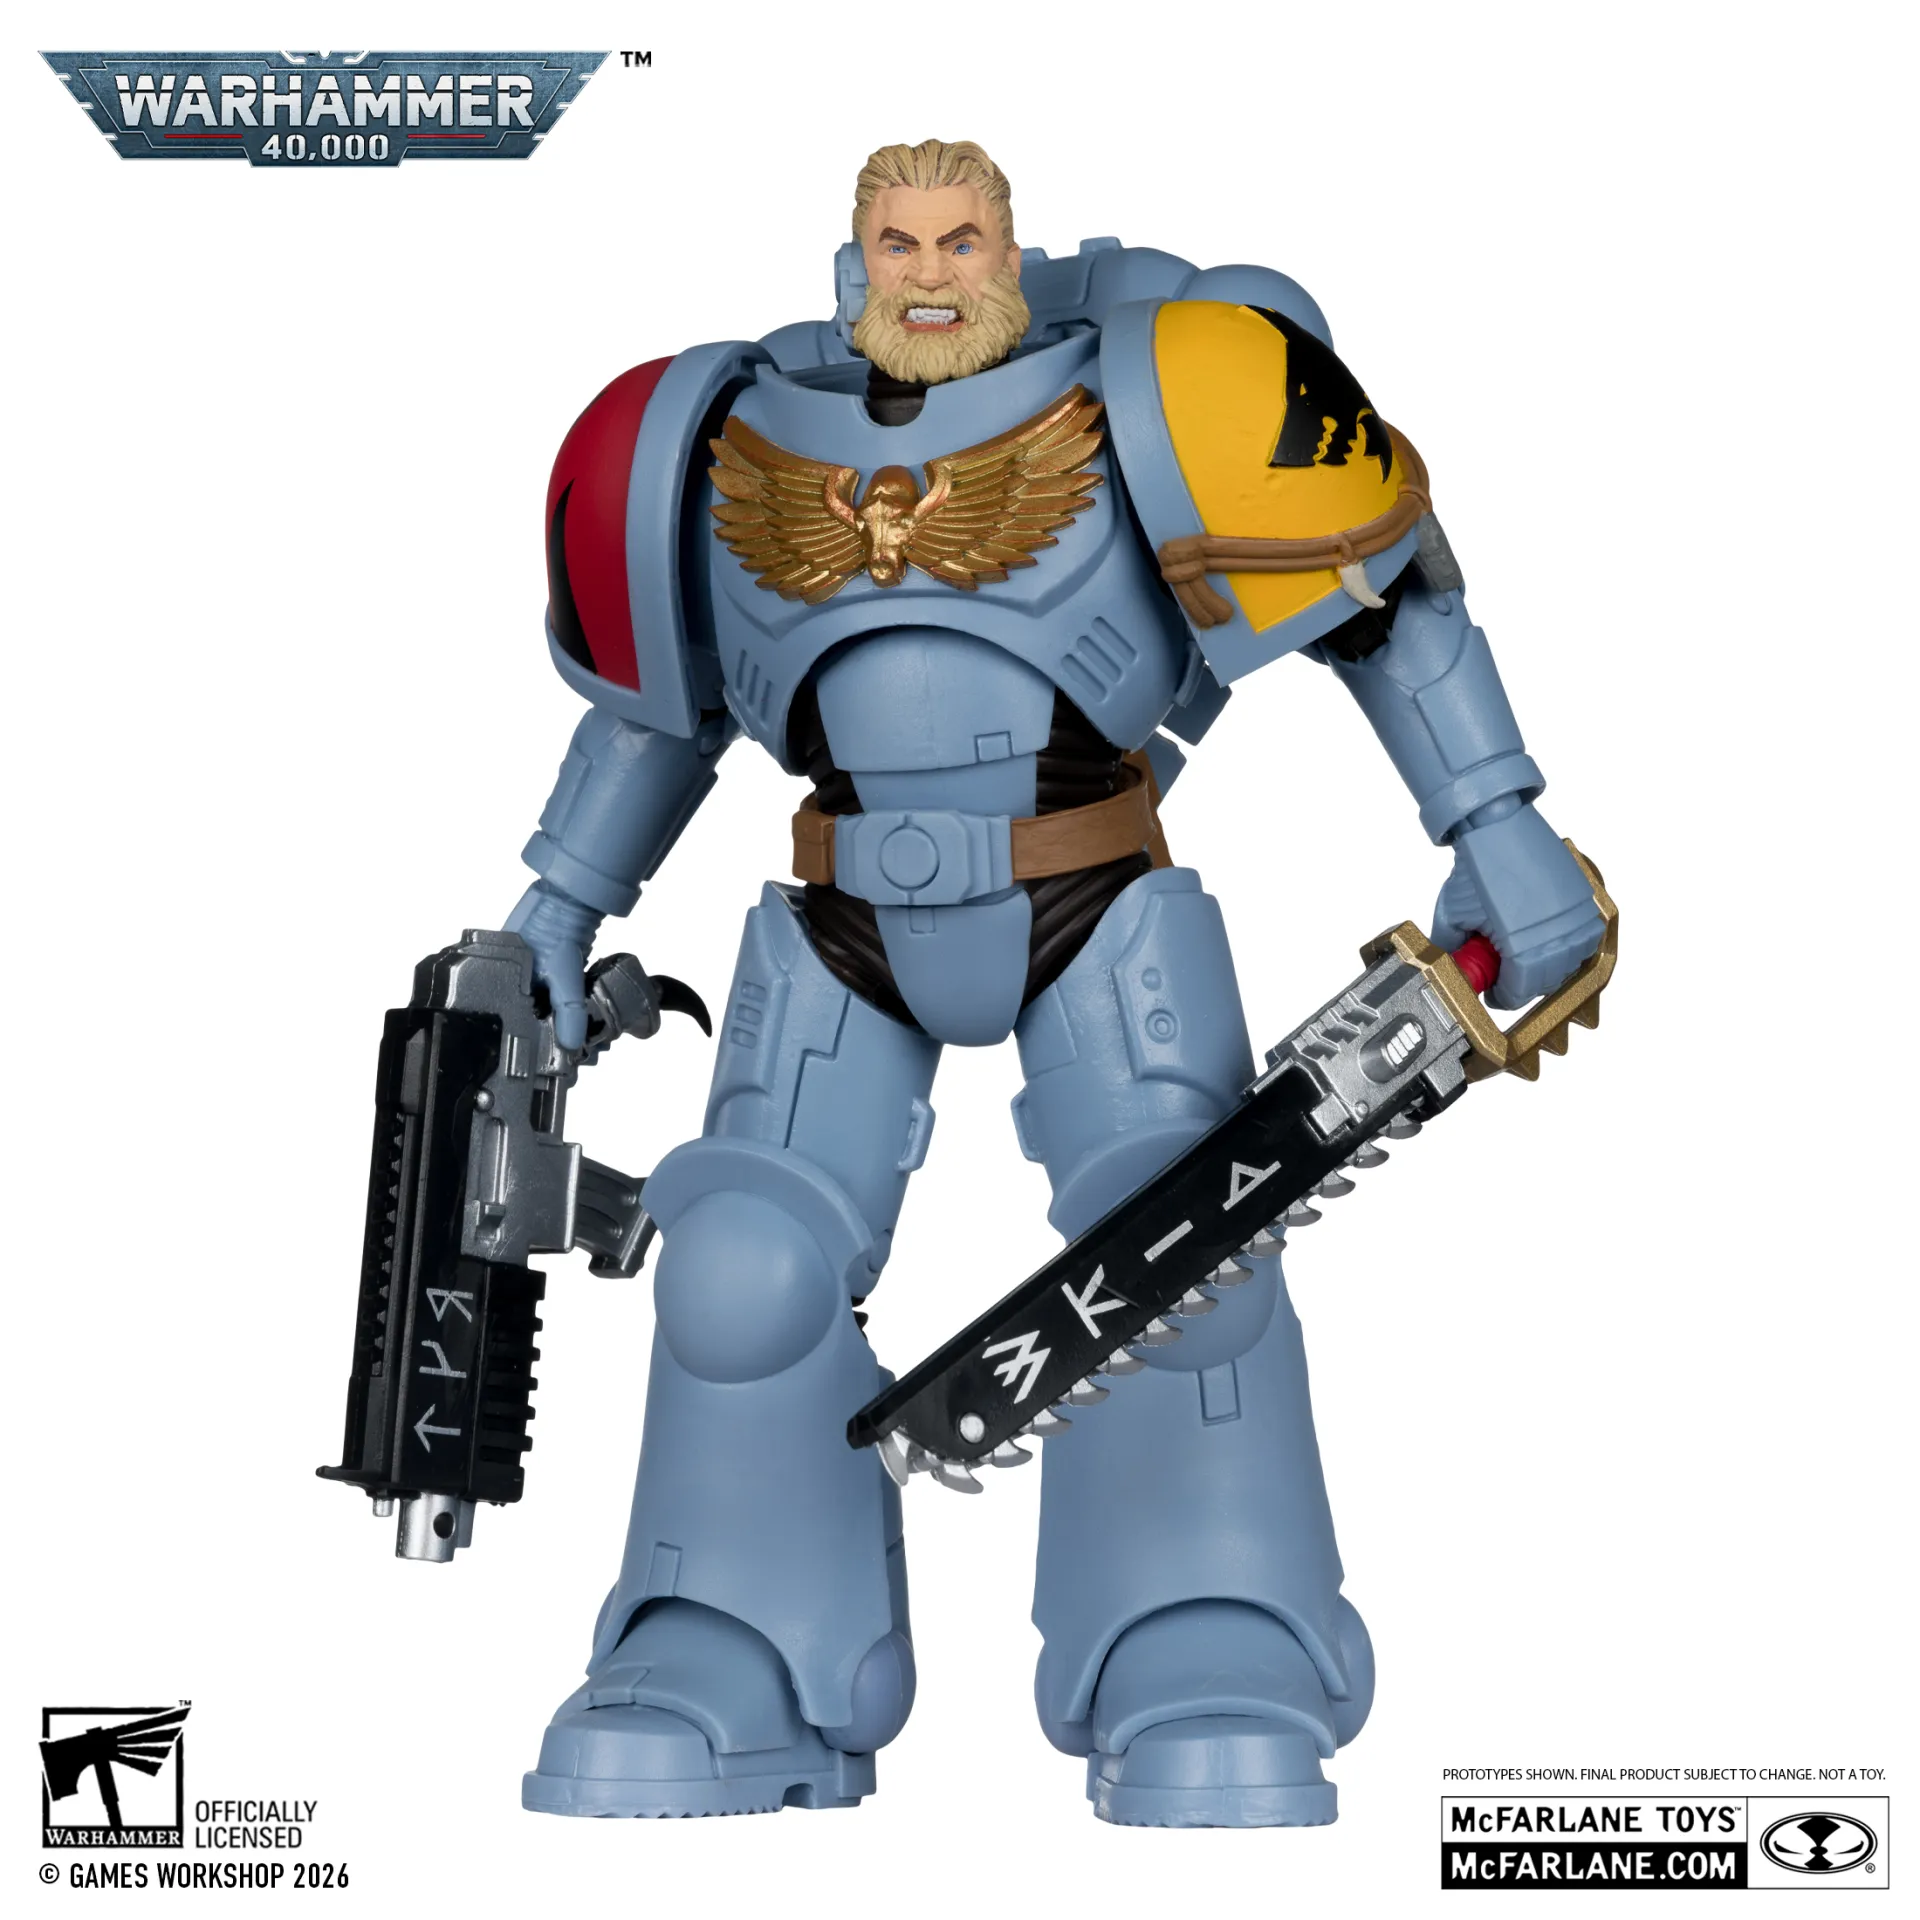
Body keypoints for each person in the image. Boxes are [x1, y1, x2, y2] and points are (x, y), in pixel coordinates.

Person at [507, 138, 1603, 1825]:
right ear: (851, 263)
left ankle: (1205, 1630)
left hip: (1094, 892)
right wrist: (554, 911)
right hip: (835, 914)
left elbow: (1384, 607)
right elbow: (654, 717)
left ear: (1011, 254)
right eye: (898, 243)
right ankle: (739, 1642)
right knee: (737, 1277)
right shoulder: (715, 439)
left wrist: (1500, 823)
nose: (931, 272)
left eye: (963, 239)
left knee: (1183, 1252)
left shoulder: (1163, 382)